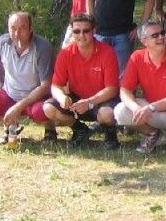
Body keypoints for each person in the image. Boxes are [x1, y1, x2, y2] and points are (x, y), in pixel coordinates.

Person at [0, 11, 54, 146]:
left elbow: (45, 86)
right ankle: (11, 124)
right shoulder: (3, 42)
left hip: (35, 97)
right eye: (13, 28)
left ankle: (50, 129)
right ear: (8, 29)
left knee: (41, 112)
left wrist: (18, 107)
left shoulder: (42, 47)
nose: (17, 33)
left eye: (22, 28)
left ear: (31, 29)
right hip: (9, 94)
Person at [108, 19, 166, 155]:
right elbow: (125, 90)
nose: (161, 37)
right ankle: (153, 134)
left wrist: (152, 107)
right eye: (155, 35)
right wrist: (135, 108)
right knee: (120, 111)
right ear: (144, 41)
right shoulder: (137, 57)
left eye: (162, 33)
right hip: (150, 112)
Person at [43, 13, 121, 150]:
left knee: (106, 113)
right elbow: (55, 85)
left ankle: (110, 134)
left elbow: (112, 89)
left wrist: (89, 102)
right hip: (77, 101)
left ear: (94, 31)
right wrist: (62, 98)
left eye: (86, 31)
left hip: (101, 100)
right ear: (72, 32)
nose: (81, 35)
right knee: (48, 108)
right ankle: (80, 130)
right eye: (76, 31)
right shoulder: (65, 54)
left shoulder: (107, 52)